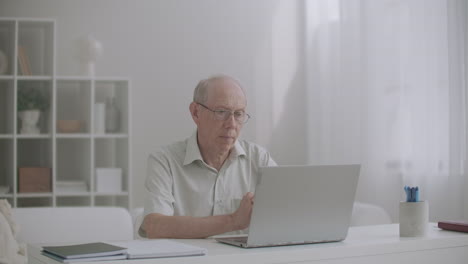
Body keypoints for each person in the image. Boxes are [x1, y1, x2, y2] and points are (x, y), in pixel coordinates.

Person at [140, 74, 276, 239]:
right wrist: (232, 221)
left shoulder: (259, 158)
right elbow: (154, 226)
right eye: (221, 112)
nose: (231, 124)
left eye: (238, 114)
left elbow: (288, 209)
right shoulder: (164, 161)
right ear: (196, 113)